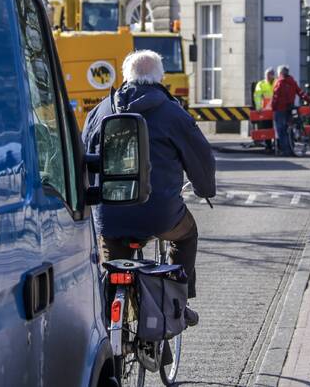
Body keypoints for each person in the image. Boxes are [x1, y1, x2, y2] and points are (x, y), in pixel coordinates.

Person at [82, 50, 216, 322]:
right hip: (160, 214)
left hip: (111, 214)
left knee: (112, 267)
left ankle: (112, 324)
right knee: (186, 235)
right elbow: (200, 157)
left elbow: (82, 155)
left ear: (125, 76)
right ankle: (179, 302)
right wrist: (204, 189)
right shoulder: (172, 113)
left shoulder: (100, 111)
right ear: (159, 78)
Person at [270, 65, 310, 157]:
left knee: (281, 131)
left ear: (280, 73)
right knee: (289, 130)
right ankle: (291, 148)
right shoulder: (292, 82)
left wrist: (272, 107)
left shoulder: (279, 82)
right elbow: (301, 93)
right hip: (290, 109)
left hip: (280, 110)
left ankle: (286, 151)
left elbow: (275, 97)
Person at [252, 68, 276, 153]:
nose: (268, 77)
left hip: (275, 109)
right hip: (265, 111)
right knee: (267, 128)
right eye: (267, 75)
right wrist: (258, 107)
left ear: (273, 75)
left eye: (270, 75)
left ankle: (277, 145)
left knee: (276, 128)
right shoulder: (261, 84)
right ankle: (268, 146)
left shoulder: (276, 82)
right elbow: (257, 96)